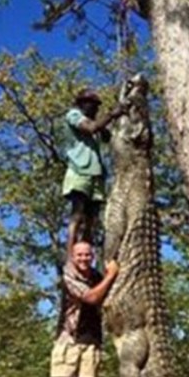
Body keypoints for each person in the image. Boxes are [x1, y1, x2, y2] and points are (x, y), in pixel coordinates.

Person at [50, 241, 119, 377]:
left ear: (93, 256)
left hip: (92, 338)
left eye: (87, 255)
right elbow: (91, 298)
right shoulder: (68, 277)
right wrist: (111, 275)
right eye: (79, 255)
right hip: (69, 337)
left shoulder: (97, 276)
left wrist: (107, 277)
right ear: (73, 257)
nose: (84, 258)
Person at [62, 89, 125, 254]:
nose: (96, 109)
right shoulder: (74, 115)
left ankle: (86, 253)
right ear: (83, 103)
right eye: (94, 105)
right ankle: (70, 254)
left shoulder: (93, 121)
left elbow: (105, 136)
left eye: (98, 106)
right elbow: (89, 128)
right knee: (78, 213)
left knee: (92, 218)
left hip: (96, 172)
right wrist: (112, 114)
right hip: (79, 170)